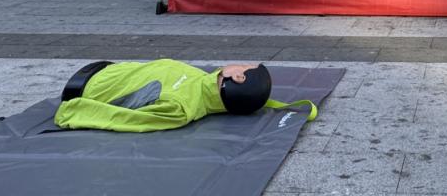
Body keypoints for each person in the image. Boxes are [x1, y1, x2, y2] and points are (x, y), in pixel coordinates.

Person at [54, 59, 280, 131]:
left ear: (239, 77)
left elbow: (125, 118)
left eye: (245, 66)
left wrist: (74, 111)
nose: (241, 63)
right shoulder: (203, 80)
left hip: (87, 86)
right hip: (104, 69)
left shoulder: (179, 108)